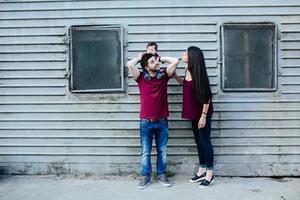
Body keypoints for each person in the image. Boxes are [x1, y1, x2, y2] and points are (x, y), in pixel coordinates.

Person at [127, 49, 179, 189]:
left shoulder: (164, 76)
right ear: (145, 67)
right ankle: (146, 176)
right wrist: (139, 58)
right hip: (146, 122)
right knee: (146, 151)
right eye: (152, 61)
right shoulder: (141, 78)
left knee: (162, 150)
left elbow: (175, 61)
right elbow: (130, 65)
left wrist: (160, 58)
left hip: (162, 121)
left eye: (156, 61)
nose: (155, 63)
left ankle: (161, 174)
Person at [174, 46, 214, 188]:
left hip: (202, 112)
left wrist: (203, 117)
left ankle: (210, 173)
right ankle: (202, 169)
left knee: (205, 142)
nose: (183, 54)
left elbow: (207, 97)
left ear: (192, 57)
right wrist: (175, 76)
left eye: (185, 53)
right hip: (193, 113)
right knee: (198, 142)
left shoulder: (198, 74)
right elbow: (186, 85)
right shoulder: (187, 70)